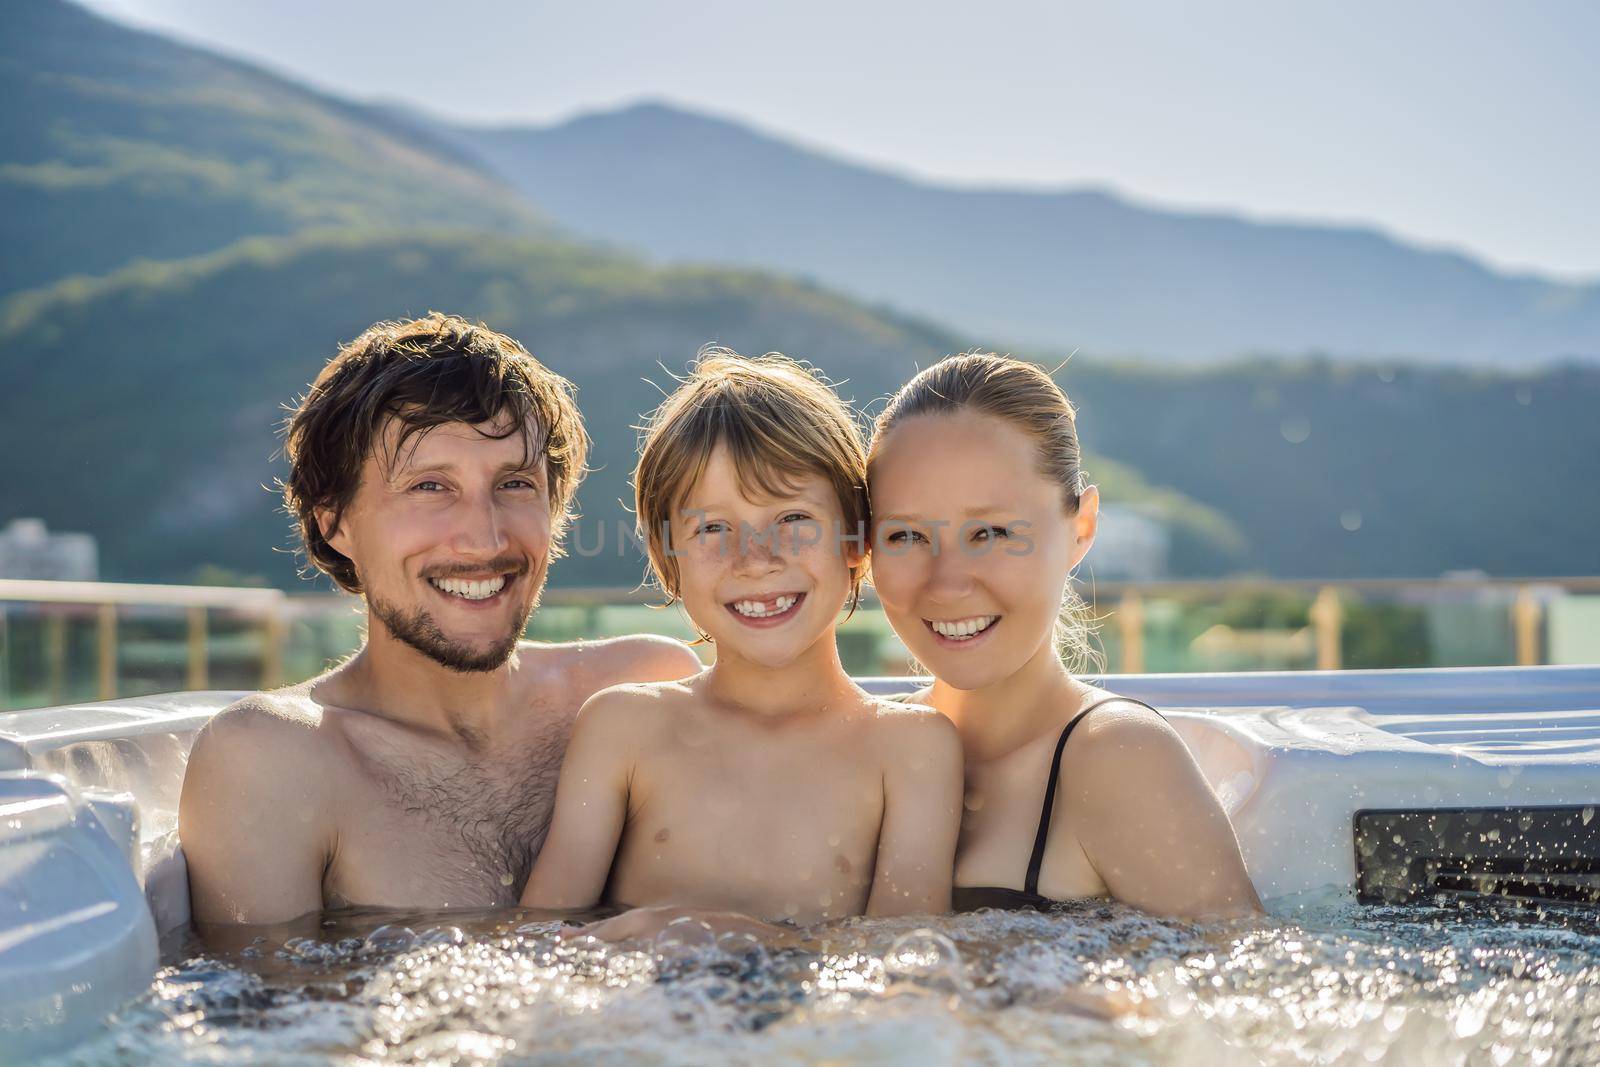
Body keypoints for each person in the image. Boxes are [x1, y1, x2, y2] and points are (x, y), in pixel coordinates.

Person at [179, 314, 702, 929]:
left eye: (514, 483)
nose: (484, 537)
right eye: (430, 486)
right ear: (334, 522)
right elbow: (263, 1017)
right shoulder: (275, 761)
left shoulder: (643, 689)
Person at [521, 350, 963, 923]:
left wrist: (722, 934)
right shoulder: (623, 729)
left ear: (857, 542)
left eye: (792, 519)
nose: (755, 559)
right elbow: (540, 942)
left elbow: (905, 965)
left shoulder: (911, 748)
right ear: (669, 560)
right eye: (713, 528)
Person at [865, 352, 1263, 918]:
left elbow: (1238, 989)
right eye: (905, 535)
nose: (947, 583)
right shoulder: (863, 747)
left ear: (1082, 527)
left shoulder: (1119, 758)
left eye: (991, 532)